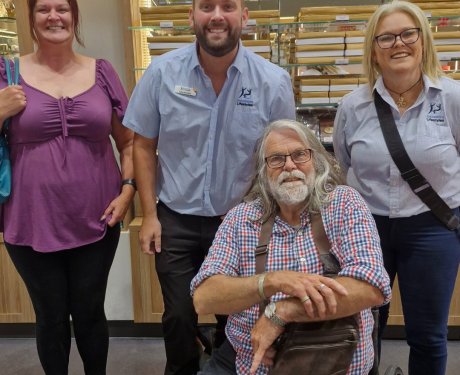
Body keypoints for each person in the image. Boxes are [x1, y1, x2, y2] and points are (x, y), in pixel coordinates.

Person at [122, 0, 295, 374]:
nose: (217, 15)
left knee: (236, 313)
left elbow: (283, 156)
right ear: (192, 17)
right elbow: (143, 145)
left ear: (244, 17)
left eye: (228, 6)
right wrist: (149, 215)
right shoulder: (162, 73)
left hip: (241, 222)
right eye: (206, 6)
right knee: (180, 317)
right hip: (175, 219)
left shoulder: (272, 81)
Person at [190, 119, 391, 375]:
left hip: (337, 364)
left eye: (299, 155)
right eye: (276, 159)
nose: (289, 165)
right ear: (263, 171)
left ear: (316, 161)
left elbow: (371, 288)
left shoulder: (344, 204)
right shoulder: (241, 219)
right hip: (252, 365)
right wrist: (272, 282)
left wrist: (281, 312)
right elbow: (204, 298)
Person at [0, 0, 135, 374]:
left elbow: (129, 143)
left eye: (62, 8)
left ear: (75, 16)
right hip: (30, 220)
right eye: (44, 9)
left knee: (91, 312)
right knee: (50, 317)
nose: (54, 17)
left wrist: (128, 191)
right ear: (31, 18)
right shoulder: (6, 73)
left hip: (98, 218)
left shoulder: (103, 72)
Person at [333, 1, 460, 374]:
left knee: (428, 335)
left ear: (423, 40)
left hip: (433, 227)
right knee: (361, 326)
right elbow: (341, 169)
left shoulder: (453, 99)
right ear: (373, 49)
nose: (398, 44)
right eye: (385, 37)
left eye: (408, 33)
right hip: (365, 230)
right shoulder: (352, 107)